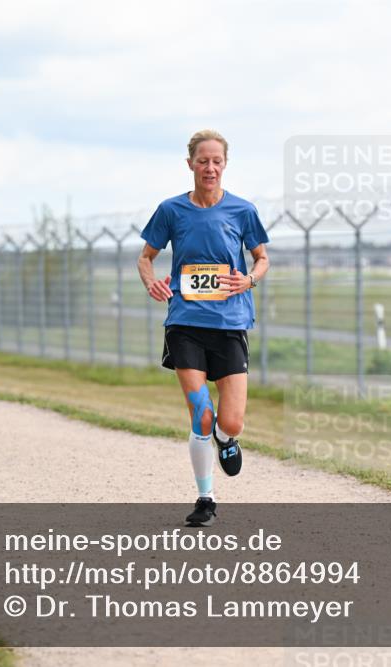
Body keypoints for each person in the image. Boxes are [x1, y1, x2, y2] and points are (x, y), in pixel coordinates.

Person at [137, 130, 270, 527]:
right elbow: (146, 257)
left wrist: (249, 279)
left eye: (216, 161)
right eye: (202, 161)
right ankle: (205, 499)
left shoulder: (243, 210)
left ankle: (227, 440)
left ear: (225, 164)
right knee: (202, 415)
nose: (209, 168)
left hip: (230, 325)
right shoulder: (171, 210)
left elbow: (262, 258)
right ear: (190, 164)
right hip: (186, 324)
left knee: (230, 422)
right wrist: (151, 282)